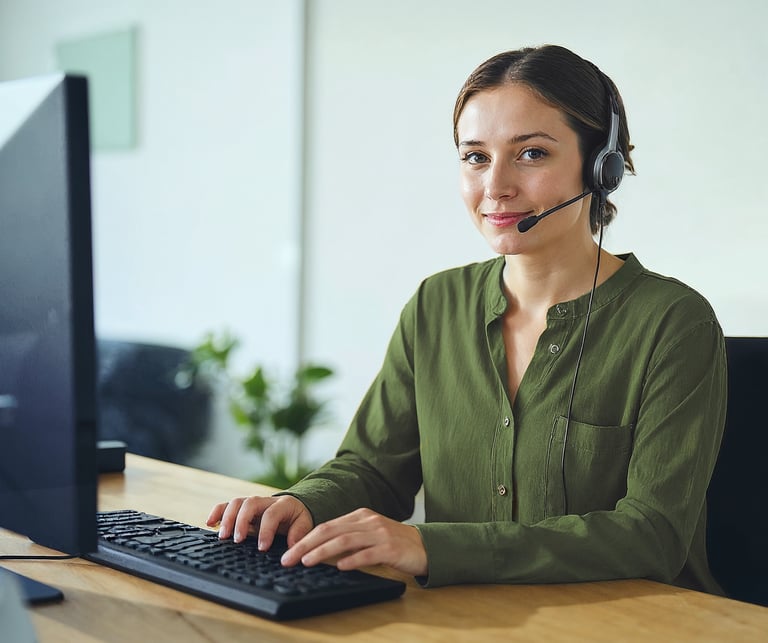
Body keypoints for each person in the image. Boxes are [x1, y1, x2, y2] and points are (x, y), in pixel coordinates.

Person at [208, 44, 727, 593]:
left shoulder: (673, 323)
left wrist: (431, 546)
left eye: (531, 154)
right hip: (462, 617)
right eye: (476, 157)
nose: (495, 187)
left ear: (603, 166)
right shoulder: (437, 304)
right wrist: (299, 504)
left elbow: (652, 534)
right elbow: (375, 468)